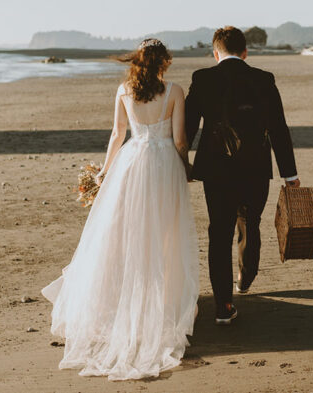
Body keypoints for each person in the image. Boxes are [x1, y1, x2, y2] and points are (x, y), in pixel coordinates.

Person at [41, 38, 198, 380]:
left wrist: (105, 171)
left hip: (132, 163)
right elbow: (180, 139)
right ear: (164, 63)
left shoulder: (124, 90)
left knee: (126, 236)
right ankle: (158, 309)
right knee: (162, 235)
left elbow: (118, 134)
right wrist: (185, 167)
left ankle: (121, 310)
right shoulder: (174, 92)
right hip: (163, 166)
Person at [185, 26, 300, 325]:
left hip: (217, 169)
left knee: (218, 233)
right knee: (250, 222)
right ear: (245, 52)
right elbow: (278, 129)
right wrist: (290, 174)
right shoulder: (263, 79)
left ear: (215, 52)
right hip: (256, 167)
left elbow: (187, 128)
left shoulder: (203, 78)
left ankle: (223, 306)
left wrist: (180, 163)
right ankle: (245, 280)